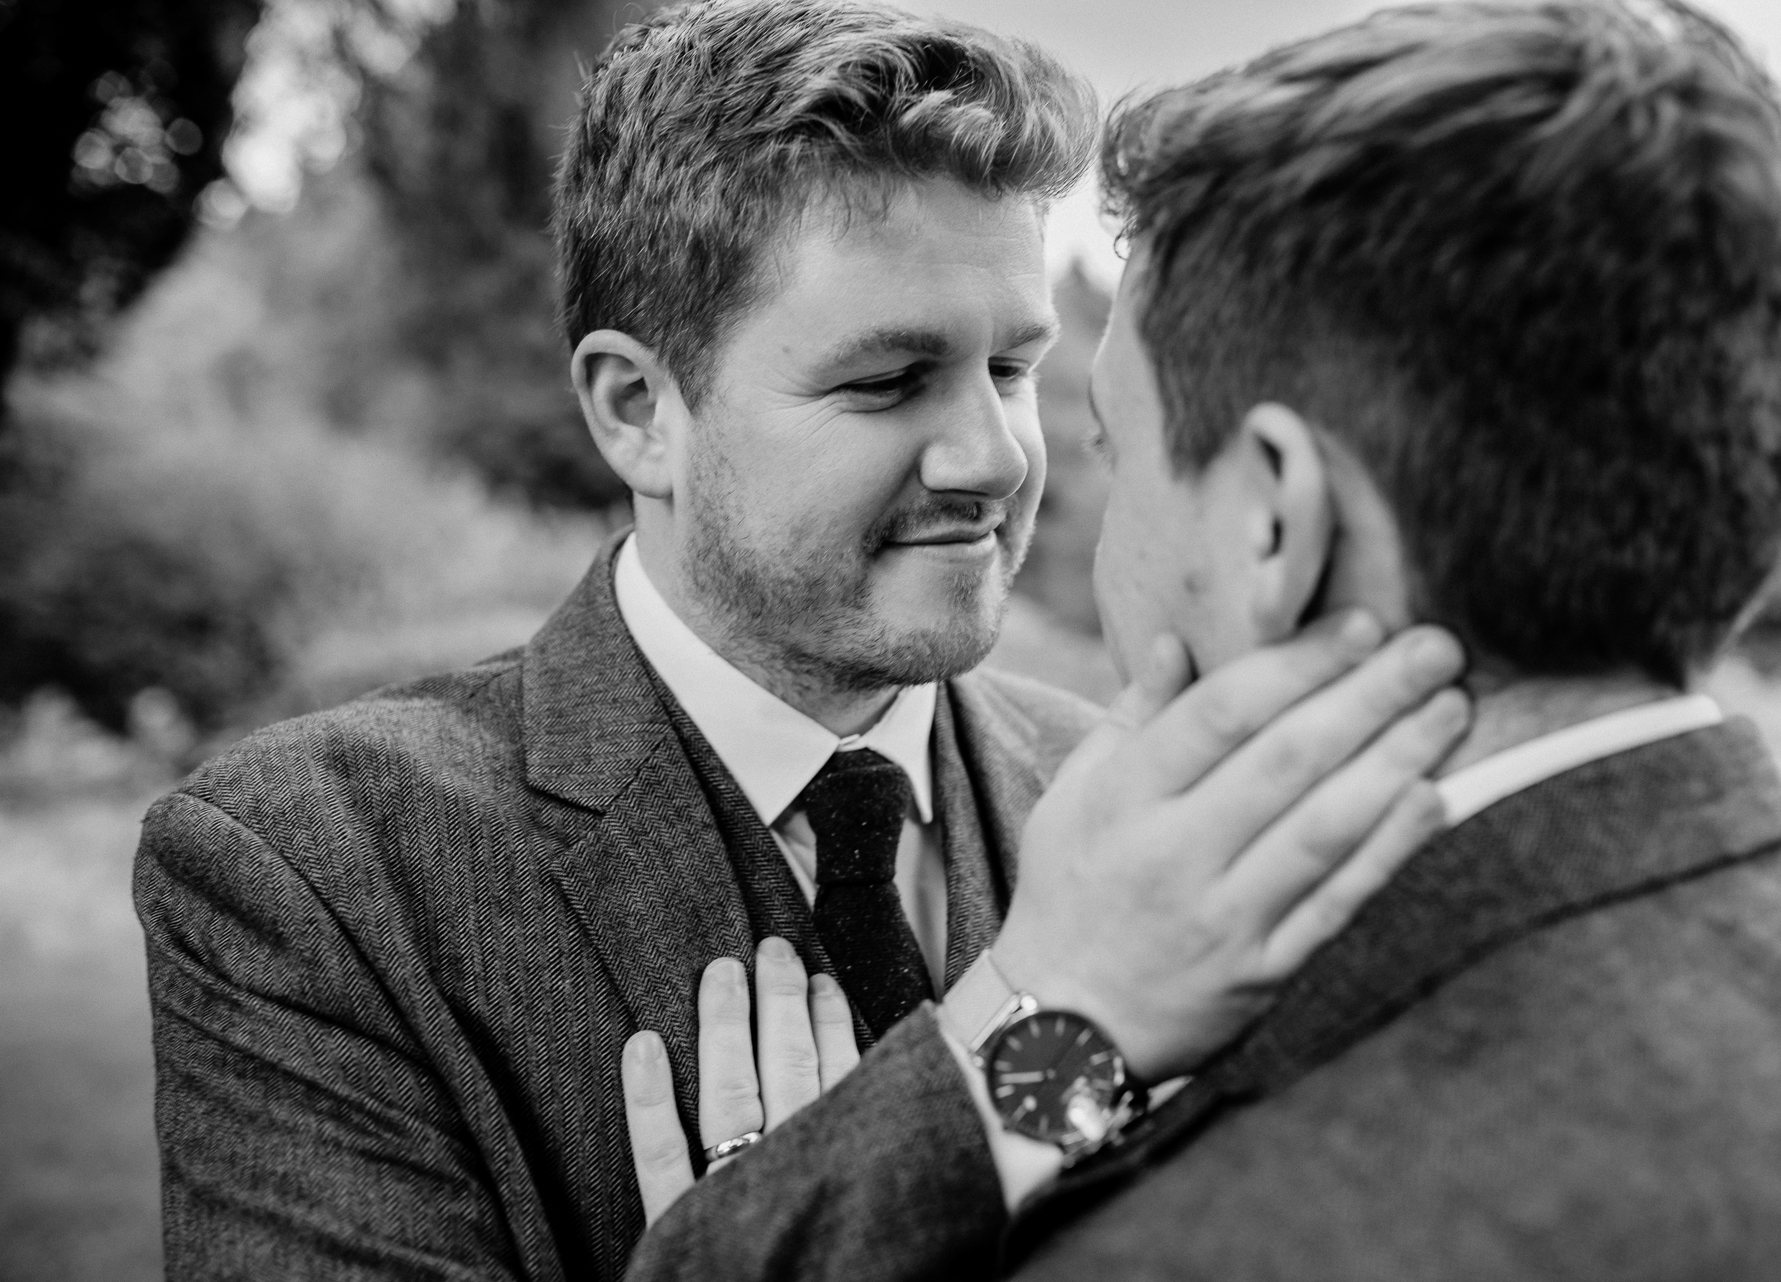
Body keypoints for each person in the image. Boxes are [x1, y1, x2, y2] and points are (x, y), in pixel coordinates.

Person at [132, 1, 1470, 1277]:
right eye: (889, 380)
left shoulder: (1148, 803)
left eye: (1013, 365)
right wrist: (1042, 1031)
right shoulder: (313, 871)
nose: (995, 456)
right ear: (637, 409)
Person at [616, 1, 1781, 1278]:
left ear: (1273, 522)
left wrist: (777, 1228)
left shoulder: (1208, 1239)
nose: (1008, 466)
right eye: (891, 379)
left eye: (1109, 446)